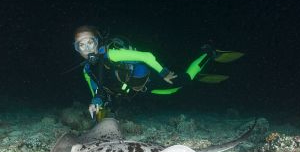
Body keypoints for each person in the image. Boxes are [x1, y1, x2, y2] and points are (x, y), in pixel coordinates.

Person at [73, 25, 243, 120]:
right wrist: (95, 103)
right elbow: (97, 91)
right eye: (81, 45)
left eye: (90, 42)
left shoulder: (113, 54)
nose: (87, 48)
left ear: (97, 42)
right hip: (138, 90)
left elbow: (146, 56)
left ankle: (209, 53)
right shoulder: (87, 70)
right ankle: (195, 75)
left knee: (181, 83)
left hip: (149, 78)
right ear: (77, 49)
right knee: (171, 92)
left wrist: (164, 73)